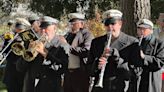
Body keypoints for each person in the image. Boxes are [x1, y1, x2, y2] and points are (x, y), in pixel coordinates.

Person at [89, 9, 138, 92]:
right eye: (107, 24)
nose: (110, 27)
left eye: (113, 23)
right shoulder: (96, 42)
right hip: (100, 88)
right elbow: (88, 67)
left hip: (121, 87)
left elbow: (135, 72)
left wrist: (117, 59)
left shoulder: (132, 43)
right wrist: (97, 64)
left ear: (120, 24)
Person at [16, 16, 68, 92]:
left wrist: (45, 54)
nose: (43, 31)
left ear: (54, 28)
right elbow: (19, 67)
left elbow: (63, 68)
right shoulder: (34, 42)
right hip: (30, 87)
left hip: (50, 87)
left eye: (46, 28)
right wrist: (27, 51)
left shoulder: (62, 45)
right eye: (41, 28)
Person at [60, 12, 94, 92]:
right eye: (71, 23)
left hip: (80, 73)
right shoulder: (68, 35)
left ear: (82, 24)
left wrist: (67, 46)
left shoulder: (87, 35)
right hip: (68, 73)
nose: (71, 25)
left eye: (74, 23)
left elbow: (86, 51)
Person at [130, 19, 164, 92]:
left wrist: (144, 57)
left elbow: (160, 62)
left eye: (144, 29)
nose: (141, 31)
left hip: (151, 80)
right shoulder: (133, 43)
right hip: (136, 80)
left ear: (151, 30)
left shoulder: (159, 43)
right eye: (139, 28)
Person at [2, 18, 31, 92]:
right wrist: (7, 42)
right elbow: (5, 54)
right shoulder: (11, 37)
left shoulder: (29, 39)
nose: (18, 32)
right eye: (17, 30)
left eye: (21, 30)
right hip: (11, 73)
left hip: (22, 73)